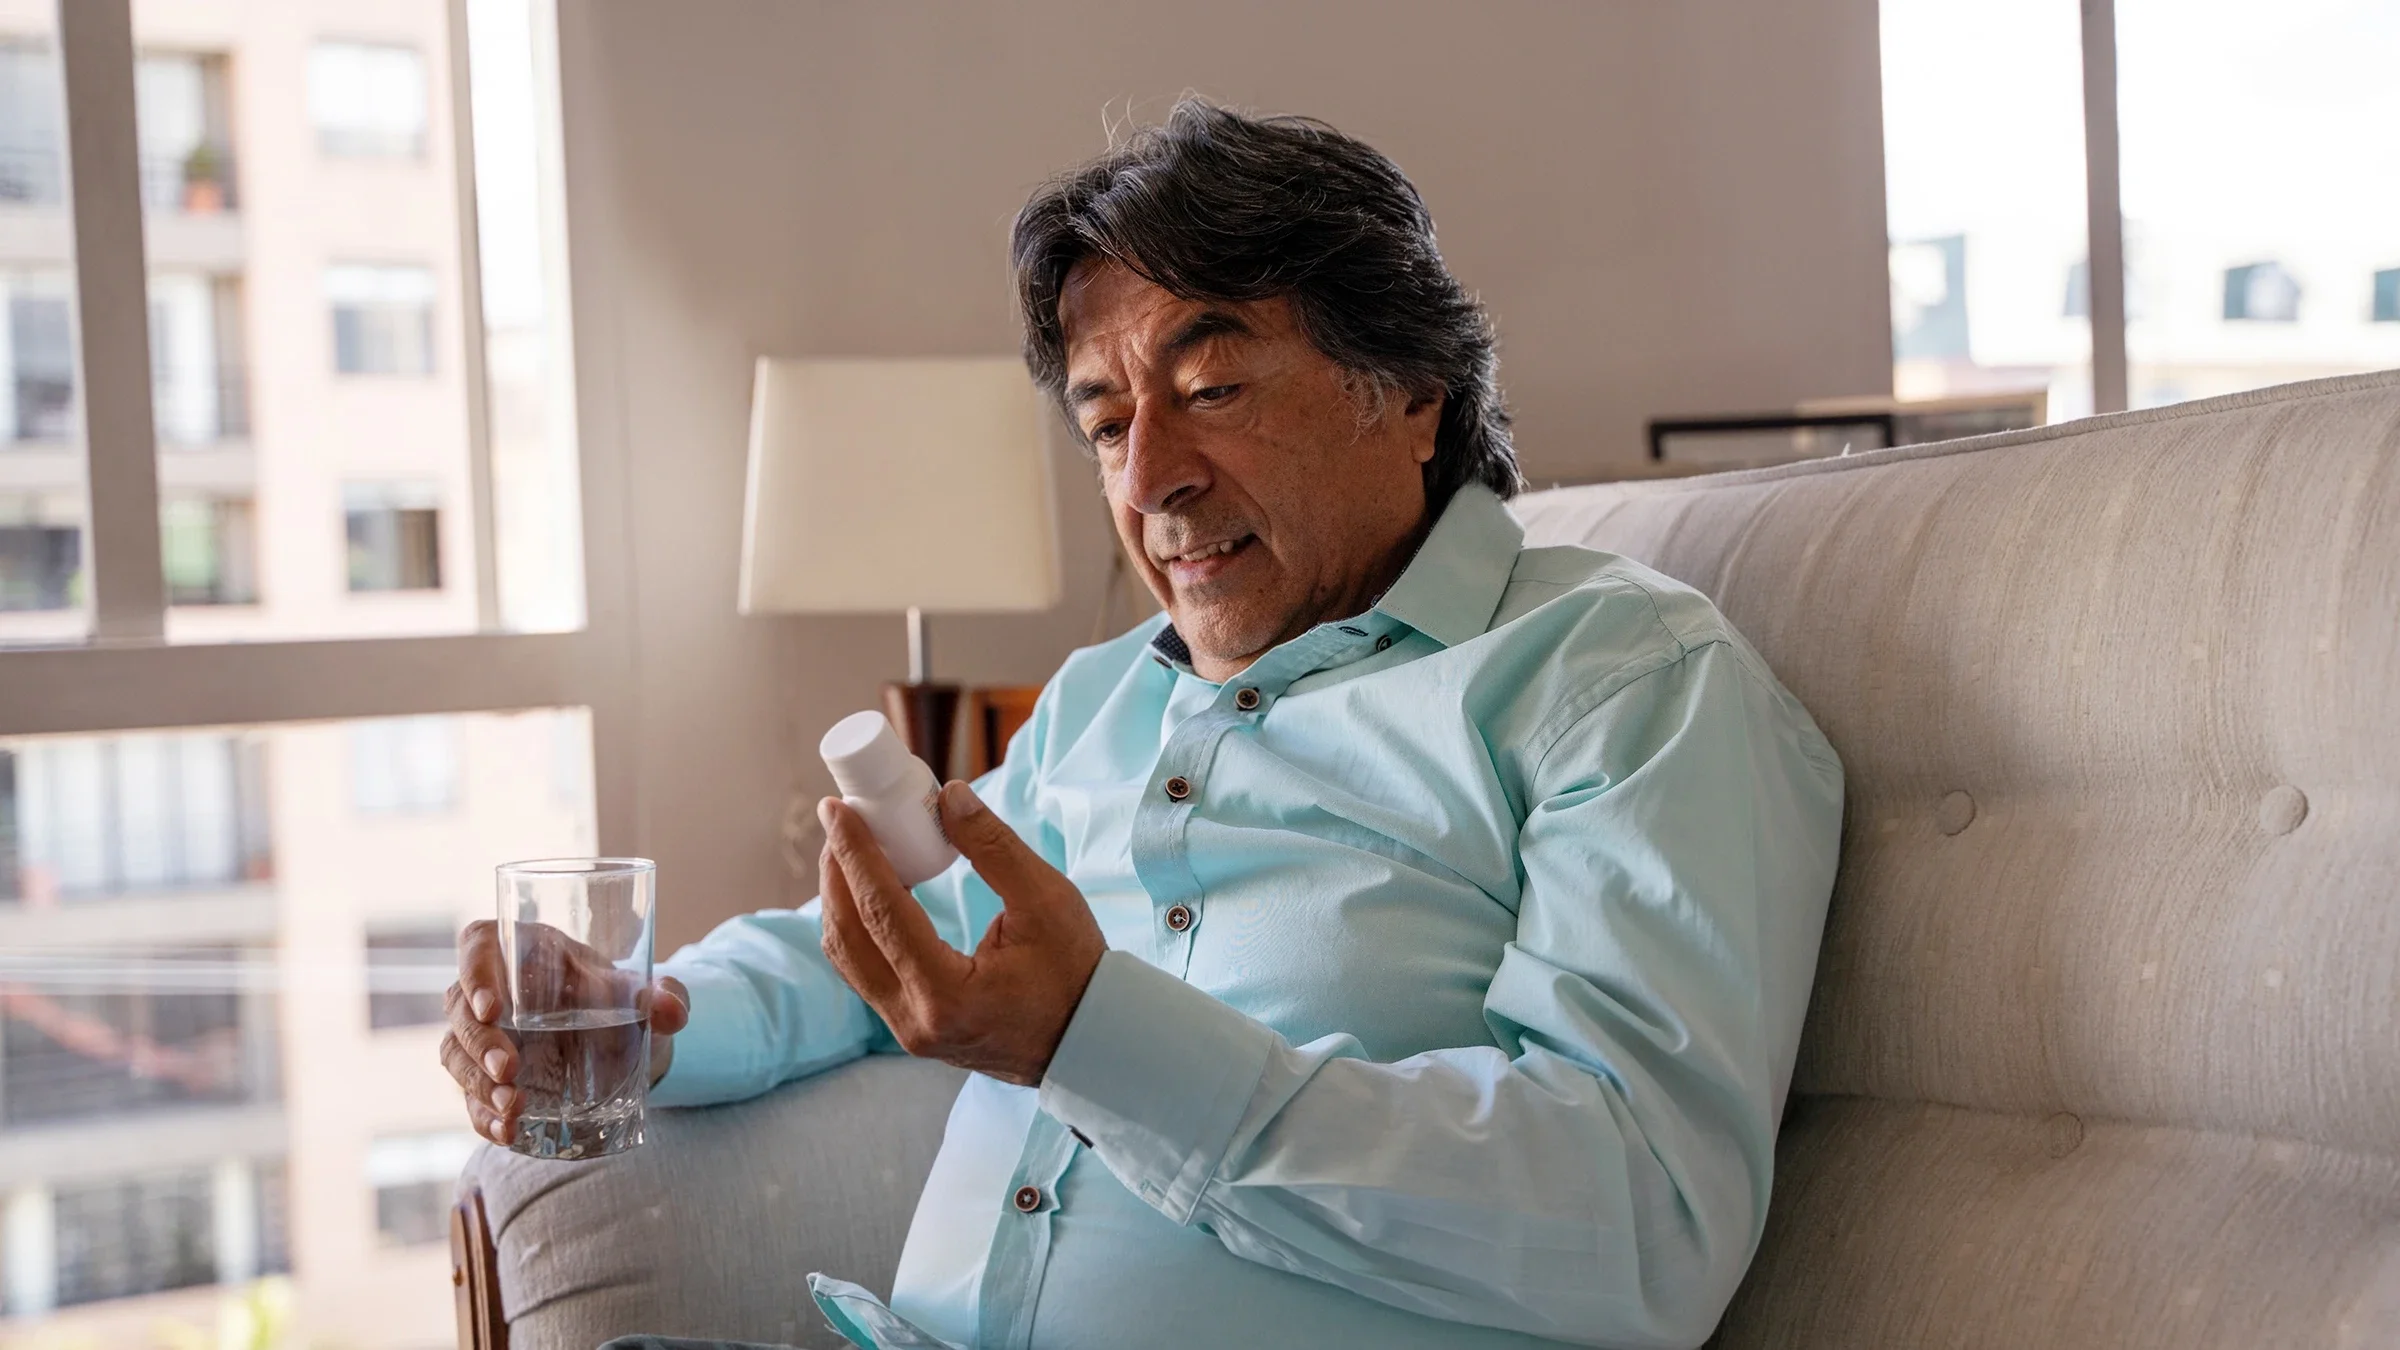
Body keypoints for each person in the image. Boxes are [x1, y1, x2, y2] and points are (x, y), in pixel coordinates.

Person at [443, 99, 1842, 1350]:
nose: (1153, 480)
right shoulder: (1109, 697)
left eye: (1212, 388)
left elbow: (1643, 1221)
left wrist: (1092, 1038)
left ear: (1413, 394)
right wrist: (646, 1014)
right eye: (1110, 423)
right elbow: (879, 947)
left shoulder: (1619, 680)